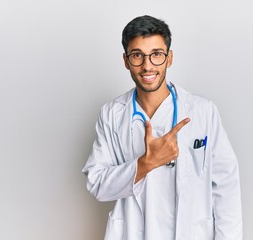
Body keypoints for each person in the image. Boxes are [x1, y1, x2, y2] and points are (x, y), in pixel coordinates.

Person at [82, 15, 242, 240]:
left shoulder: (203, 112)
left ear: (169, 58)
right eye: (137, 55)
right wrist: (145, 164)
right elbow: (97, 184)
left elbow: (226, 187)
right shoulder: (111, 115)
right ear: (126, 60)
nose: (147, 66)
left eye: (156, 54)